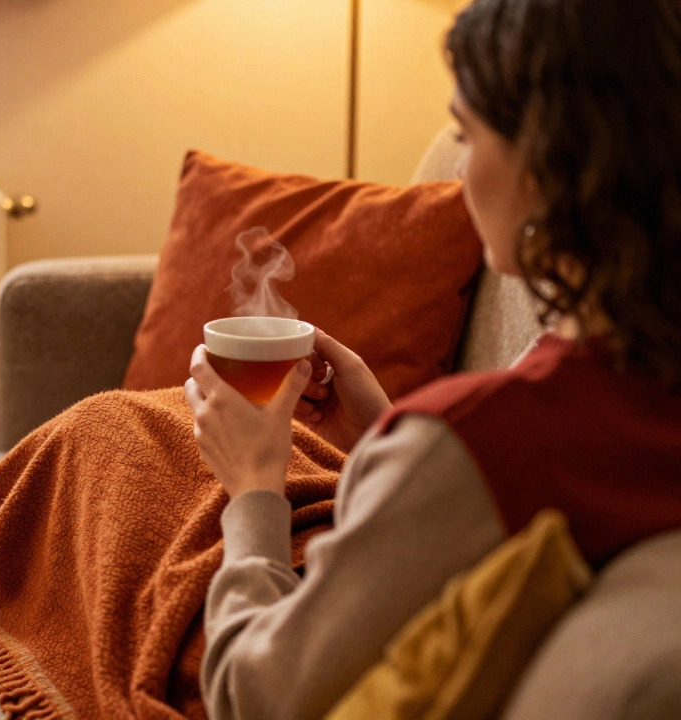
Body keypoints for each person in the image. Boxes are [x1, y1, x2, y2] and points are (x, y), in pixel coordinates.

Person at [187, 0, 681, 717]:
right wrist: (390, 434)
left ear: (546, 165)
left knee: (107, 442)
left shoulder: (474, 440)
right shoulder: (637, 388)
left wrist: (254, 485)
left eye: (466, 135)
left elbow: (251, 696)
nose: (460, 172)